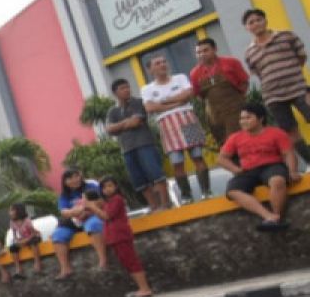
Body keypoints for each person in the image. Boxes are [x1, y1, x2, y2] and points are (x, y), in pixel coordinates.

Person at [218, 103, 302, 230]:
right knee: (233, 191)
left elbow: (288, 153)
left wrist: (293, 171)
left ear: (261, 118)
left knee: (277, 180)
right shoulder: (235, 137)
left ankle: (277, 217)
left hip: (272, 166)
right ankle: (268, 216)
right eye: (242, 118)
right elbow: (221, 158)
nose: (243, 121)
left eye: (248, 118)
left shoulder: (276, 133)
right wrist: (236, 169)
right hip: (249, 171)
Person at [242, 8, 310, 164]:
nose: (256, 24)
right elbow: (259, 73)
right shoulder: (249, 53)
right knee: (291, 131)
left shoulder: (287, 36)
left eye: (258, 19)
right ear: (247, 28)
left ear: (265, 21)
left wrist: (289, 73)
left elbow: (301, 57)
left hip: (298, 89)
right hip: (273, 96)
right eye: (251, 22)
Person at [141, 54, 211, 202]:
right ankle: (187, 196)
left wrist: (164, 102)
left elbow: (189, 94)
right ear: (150, 69)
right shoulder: (147, 89)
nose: (162, 64)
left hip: (187, 118)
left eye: (164, 61)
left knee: (197, 156)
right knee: (177, 162)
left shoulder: (180, 78)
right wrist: (176, 102)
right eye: (158, 63)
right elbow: (150, 107)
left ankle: (206, 191)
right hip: (167, 125)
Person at [106, 78, 172, 212]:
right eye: (123, 88)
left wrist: (119, 126)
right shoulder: (112, 111)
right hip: (127, 149)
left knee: (156, 175)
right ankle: (154, 207)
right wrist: (126, 123)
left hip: (145, 144)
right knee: (139, 181)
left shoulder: (138, 103)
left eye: (128, 87)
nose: (127, 90)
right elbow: (109, 129)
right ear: (115, 93)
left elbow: (136, 122)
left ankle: (165, 204)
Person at [85, 177, 154, 297]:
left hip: (120, 235)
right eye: (104, 187)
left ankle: (145, 289)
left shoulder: (117, 199)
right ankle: (142, 288)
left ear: (116, 187)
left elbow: (106, 216)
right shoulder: (108, 202)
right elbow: (103, 217)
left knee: (132, 262)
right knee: (128, 263)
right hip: (114, 236)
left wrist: (93, 207)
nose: (107, 189)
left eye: (110, 186)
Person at [190, 37, 250, 145]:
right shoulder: (195, 73)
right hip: (215, 116)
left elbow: (244, 82)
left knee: (242, 139)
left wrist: (239, 101)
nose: (202, 54)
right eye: (198, 52)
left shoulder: (231, 62)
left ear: (215, 49)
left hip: (236, 110)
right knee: (225, 144)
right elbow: (198, 95)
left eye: (205, 50)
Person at [51, 169, 109, 279]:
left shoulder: (91, 185)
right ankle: (65, 268)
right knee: (57, 235)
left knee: (94, 225)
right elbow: (63, 212)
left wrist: (86, 210)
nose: (74, 180)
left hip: (91, 215)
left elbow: (102, 200)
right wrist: (75, 212)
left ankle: (103, 261)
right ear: (65, 181)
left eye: (76, 176)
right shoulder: (64, 195)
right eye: (70, 178)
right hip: (74, 220)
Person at [7, 203, 44, 279]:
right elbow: (14, 235)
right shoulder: (12, 222)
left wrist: (26, 240)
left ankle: (37, 263)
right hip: (24, 239)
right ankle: (18, 268)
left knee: (33, 243)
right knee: (13, 247)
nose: (9, 212)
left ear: (18, 211)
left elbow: (33, 233)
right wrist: (17, 240)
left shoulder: (26, 220)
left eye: (11, 210)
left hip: (33, 236)